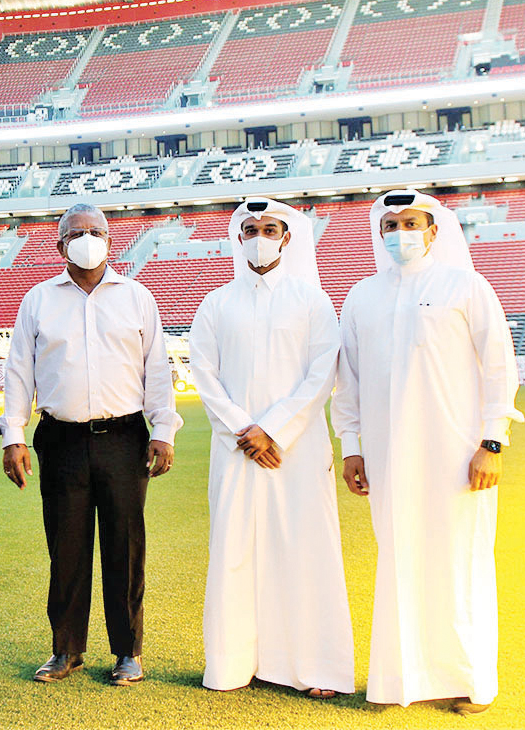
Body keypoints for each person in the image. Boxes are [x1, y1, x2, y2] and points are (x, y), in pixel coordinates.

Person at [333, 189, 523, 715]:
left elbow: (499, 367)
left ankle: (471, 680)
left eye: (410, 223)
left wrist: (492, 442)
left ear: (434, 230)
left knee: (460, 561)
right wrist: (352, 447)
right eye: (389, 225)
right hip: (390, 457)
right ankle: (399, 680)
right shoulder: (361, 296)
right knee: (398, 559)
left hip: (458, 455)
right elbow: (347, 382)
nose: (400, 233)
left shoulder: (466, 285)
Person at [1, 203, 182, 686]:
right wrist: (13, 436)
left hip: (124, 438)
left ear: (109, 239)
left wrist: (163, 430)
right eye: (75, 232)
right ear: (59, 245)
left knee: (125, 547)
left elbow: (157, 370)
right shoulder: (37, 300)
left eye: (95, 231)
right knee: (67, 549)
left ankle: (128, 652)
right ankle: (66, 650)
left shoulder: (137, 297)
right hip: (60, 438)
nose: (86, 238)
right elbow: (18, 372)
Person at [188, 198, 353, 699]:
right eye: (251, 228)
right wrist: (246, 429)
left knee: (305, 550)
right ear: (239, 239)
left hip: (296, 449)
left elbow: (323, 372)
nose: (260, 235)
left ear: (287, 237)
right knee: (235, 550)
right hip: (236, 448)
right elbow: (204, 375)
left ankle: (316, 670)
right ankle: (236, 664)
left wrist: (275, 429)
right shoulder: (216, 303)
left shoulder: (312, 300)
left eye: (270, 228)